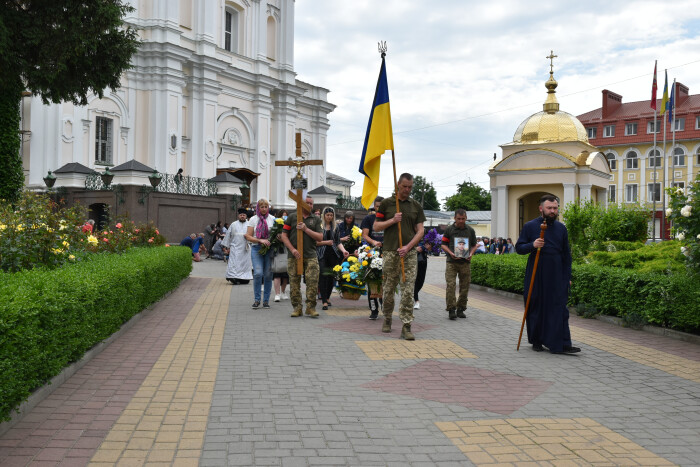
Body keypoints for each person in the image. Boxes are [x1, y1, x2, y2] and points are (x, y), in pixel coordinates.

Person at [515, 194, 580, 354]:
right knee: (536, 305)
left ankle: (562, 343)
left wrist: (567, 276)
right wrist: (533, 244)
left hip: (556, 271)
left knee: (558, 307)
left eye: (555, 208)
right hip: (537, 271)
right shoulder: (530, 226)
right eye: (549, 208)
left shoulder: (561, 228)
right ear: (541, 209)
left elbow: (566, 255)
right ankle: (537, 340)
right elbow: (519, 248)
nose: (552, 211)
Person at [374, 173, 426, 340]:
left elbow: (420, 231)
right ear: (398, 184)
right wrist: (392, 220)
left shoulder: (415, 205)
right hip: (390, 252)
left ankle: (406, 325)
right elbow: (376, 226)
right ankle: (387, 318)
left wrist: (408, 247)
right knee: (388, 289)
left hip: (409, 253)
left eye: (410, 187)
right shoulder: (387, 204)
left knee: (408, 290)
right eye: (404, 186)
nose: (407, 190)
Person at [280, 196, 324, 318]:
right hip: (294, 256)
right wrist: (293, 250)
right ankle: (297, 308)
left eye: (311, 203)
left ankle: (310, 307)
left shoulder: (315, 219)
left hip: (310, 255)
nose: (310, 206)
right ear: (301, 204)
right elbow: (284, 236)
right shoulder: (292, 217)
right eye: (307, 203)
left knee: (312, 282)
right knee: (294, 283)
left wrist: (306, 229)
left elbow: (320, 237)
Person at [441, 209, 478, 320]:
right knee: (451, 285)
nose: (461, 221)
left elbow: (474, 245)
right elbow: (443, 244)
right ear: (454, 218)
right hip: (451, 262)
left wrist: (471, 253)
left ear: (466, 218)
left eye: (463, 219)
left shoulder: (470, 230)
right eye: (459, 219)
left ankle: (461, 308)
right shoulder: (449, 229)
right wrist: (451, 253)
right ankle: (451, 309)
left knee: (465, 286)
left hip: (465, 263)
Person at [245, 199, 276, 309]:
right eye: (261, 207)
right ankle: (257, 300)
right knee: (258, 273)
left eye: (265, 207)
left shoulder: (272, 219)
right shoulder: (253, 219)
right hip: (257, 248)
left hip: (270, 249)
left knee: (268, 274)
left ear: (268, 208)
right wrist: (260, 240)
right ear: (258, 208)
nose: (263, 209)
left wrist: (277, 238)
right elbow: (248, 236)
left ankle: (266, 301)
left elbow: (278, 233)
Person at [317, 207, 349, 310]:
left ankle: (328, 297)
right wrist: (326, 242)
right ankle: (324, 301)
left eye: (331, 215)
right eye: (328, 215)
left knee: (331, 276)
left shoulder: (335, 227)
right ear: (324, 215)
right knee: (323, 276)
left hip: (333, 253)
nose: (329, 217)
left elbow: (338, 242)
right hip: (321, 253)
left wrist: (344, 251)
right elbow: (315, 242)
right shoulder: (319, 226)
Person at [361, 196, 384, 319]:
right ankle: (373, 310)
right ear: (374, 207)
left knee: (385, 281)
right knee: (371, 281)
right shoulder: (368, 219)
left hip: (386, 252)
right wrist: (374, 242)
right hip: (372, 252)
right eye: (377, 206)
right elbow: (365, 235)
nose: (379, 208)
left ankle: (384, 304)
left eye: (381, 206)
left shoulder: (389, 219)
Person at [221, 208, 252, 284]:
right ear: (238, 216)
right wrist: (226, 247)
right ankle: (233, 277)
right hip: (235, 248)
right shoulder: (233, 224)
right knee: (234, 263)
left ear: (246, 216)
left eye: (244, 215)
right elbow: (228, 235)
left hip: (246, 249)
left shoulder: (250, 225)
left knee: (245, 265)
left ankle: (244, 278)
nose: (242, 216)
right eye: (241, 215)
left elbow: (253, 235)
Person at [272, 209, 290, 302]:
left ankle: (283, 292)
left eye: (286, 215)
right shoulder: (275, 225)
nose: (284, 218)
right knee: (277, 272)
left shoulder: (289, 225)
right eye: (283, 216)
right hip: (278, 250)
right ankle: (277, 294)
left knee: (286, 273)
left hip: (287, 250)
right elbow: (271, 235)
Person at [413, 238, 428, 310]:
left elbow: (432, 247)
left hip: (422, 262)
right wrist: (414, 249)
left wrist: (427, 247)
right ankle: (416, 301)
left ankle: (411, 295)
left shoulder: (425, 234)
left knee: (421, 282)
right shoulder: (410, 233)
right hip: (412, 262)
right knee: (414, 282)